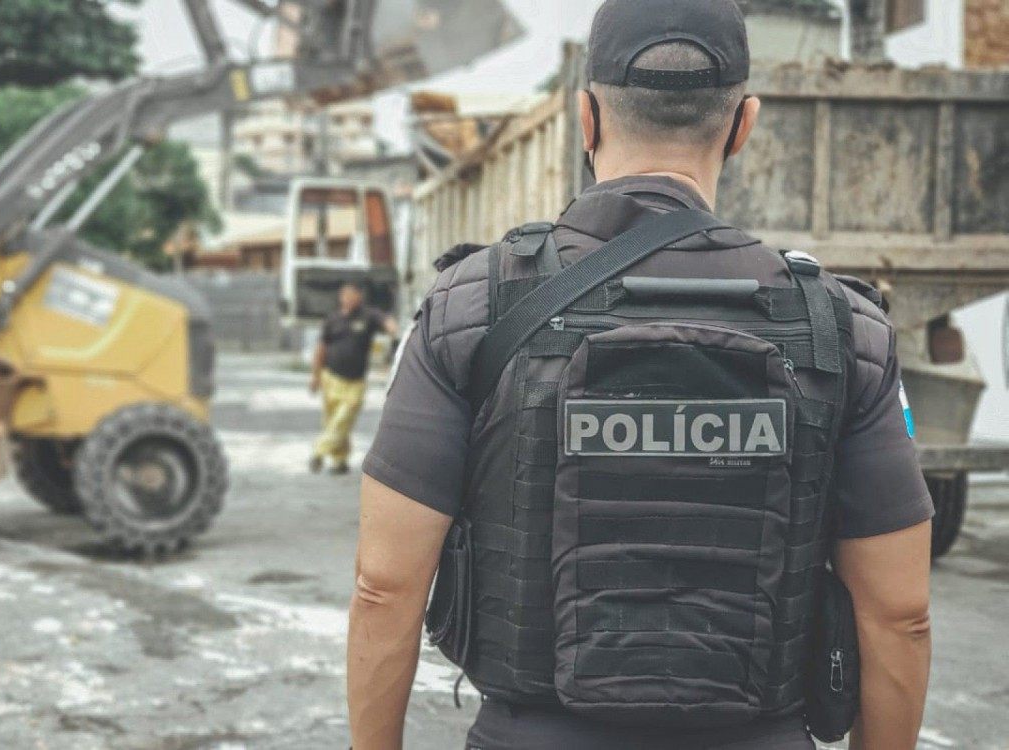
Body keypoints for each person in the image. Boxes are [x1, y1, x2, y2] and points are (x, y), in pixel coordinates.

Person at [347, 1, 934, 748]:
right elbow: (900, 614)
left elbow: (384, 588)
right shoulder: (842, 328)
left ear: (585, 119)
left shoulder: (473, 305)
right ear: (744, 125)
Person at [309, 282, 398, 475]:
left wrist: (392, 329)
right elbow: (321, 349)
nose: (348, 298)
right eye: (345, 295)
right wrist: (315, 376)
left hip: (355, 382)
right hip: (331, 377)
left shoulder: (368, 316)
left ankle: (319, 451)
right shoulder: (332, 319)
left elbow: (387, 322)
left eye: (352, 295)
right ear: (341, 297)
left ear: (359, 297)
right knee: (333, 420)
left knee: (343, 418)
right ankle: (340, 461)